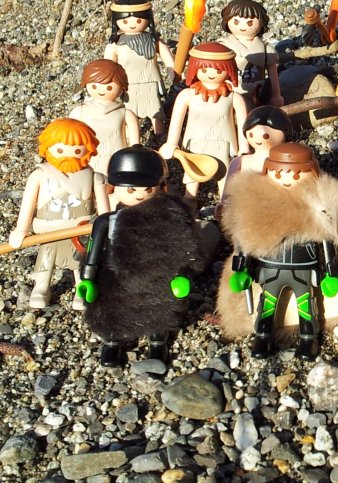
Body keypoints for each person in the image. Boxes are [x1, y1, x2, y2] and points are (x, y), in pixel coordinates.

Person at [220, 143, 338, 360]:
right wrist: (242, 267)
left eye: (297, 174)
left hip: (304, 270)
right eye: (278, 173)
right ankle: (262, 335)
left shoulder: (321, 205)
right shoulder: (253, 203)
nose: (287, 179)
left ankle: (308, 338)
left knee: (306, 306)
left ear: (312, 172)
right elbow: (244, 242)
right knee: (267, 305)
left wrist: (331, 271)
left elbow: (328, 243)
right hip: (270, 269)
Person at [77, 146, 206, 367]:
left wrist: (182, 273)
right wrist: (88, 277)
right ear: (112, 188)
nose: (140, 194)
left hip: (157, 274)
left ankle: (157, 342)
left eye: (148, 189)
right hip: (116, 275)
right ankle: (112, 342)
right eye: (130, 189)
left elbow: (182, 247)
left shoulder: (170, 219)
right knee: (112, 311)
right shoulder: (107, 221)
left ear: (161, 188)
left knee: (159, 309)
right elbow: (94, 251)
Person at [8, 119, 110, 309]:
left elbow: (105, 211)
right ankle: (41, 288)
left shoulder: (94, 177)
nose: (68, 156)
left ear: (89, 150)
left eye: (77, 151)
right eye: (61, 150)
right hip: (49, 230)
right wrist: (21, 229)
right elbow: (28, 204)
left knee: (81, 259)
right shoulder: (40, 175)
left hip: (81, 230)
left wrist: (106, 229)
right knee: (47, 257)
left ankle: (81, 288)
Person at [159, 42, 248, 199]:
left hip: (222, 142)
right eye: (204, 70)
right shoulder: (187, 95)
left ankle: (225, 202)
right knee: (192, 173)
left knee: (224, 173)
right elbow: (176, 119)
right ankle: (190, 199)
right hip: (195, 142)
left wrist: (244, 147)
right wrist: (171, 142)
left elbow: (243, 124)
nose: (211, 74)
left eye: (219, 70)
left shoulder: (234, 97)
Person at [104, 0, 176, 134]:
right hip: (128, 83)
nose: (132, 24)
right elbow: (108, 66)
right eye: (125, 21)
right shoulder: (115, 45)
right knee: (129, 110)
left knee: (155, 109)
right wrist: (109, 81)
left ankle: (159, 134)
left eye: (138, 20)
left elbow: (168, 60)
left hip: (150, 81)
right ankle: (132, 136)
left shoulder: (154, 41)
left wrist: (173, 71)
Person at [70, 59, 140, 176]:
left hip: (118, 161)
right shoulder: (79, 112)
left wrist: (134, 161)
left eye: (109, 87)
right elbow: (69, 138)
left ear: (122, 86)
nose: (101, 90)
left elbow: (135, 145)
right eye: (94, 86)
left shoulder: (125, 113)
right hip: (87, 158)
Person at [219, 0, 283, 107]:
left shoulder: (266, 50)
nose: (242, 26)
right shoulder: (224, 46)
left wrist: (276, 96)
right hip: (230, 93)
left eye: (249, 23)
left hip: (258, 94)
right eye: (236, 22)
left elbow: (273, 77)